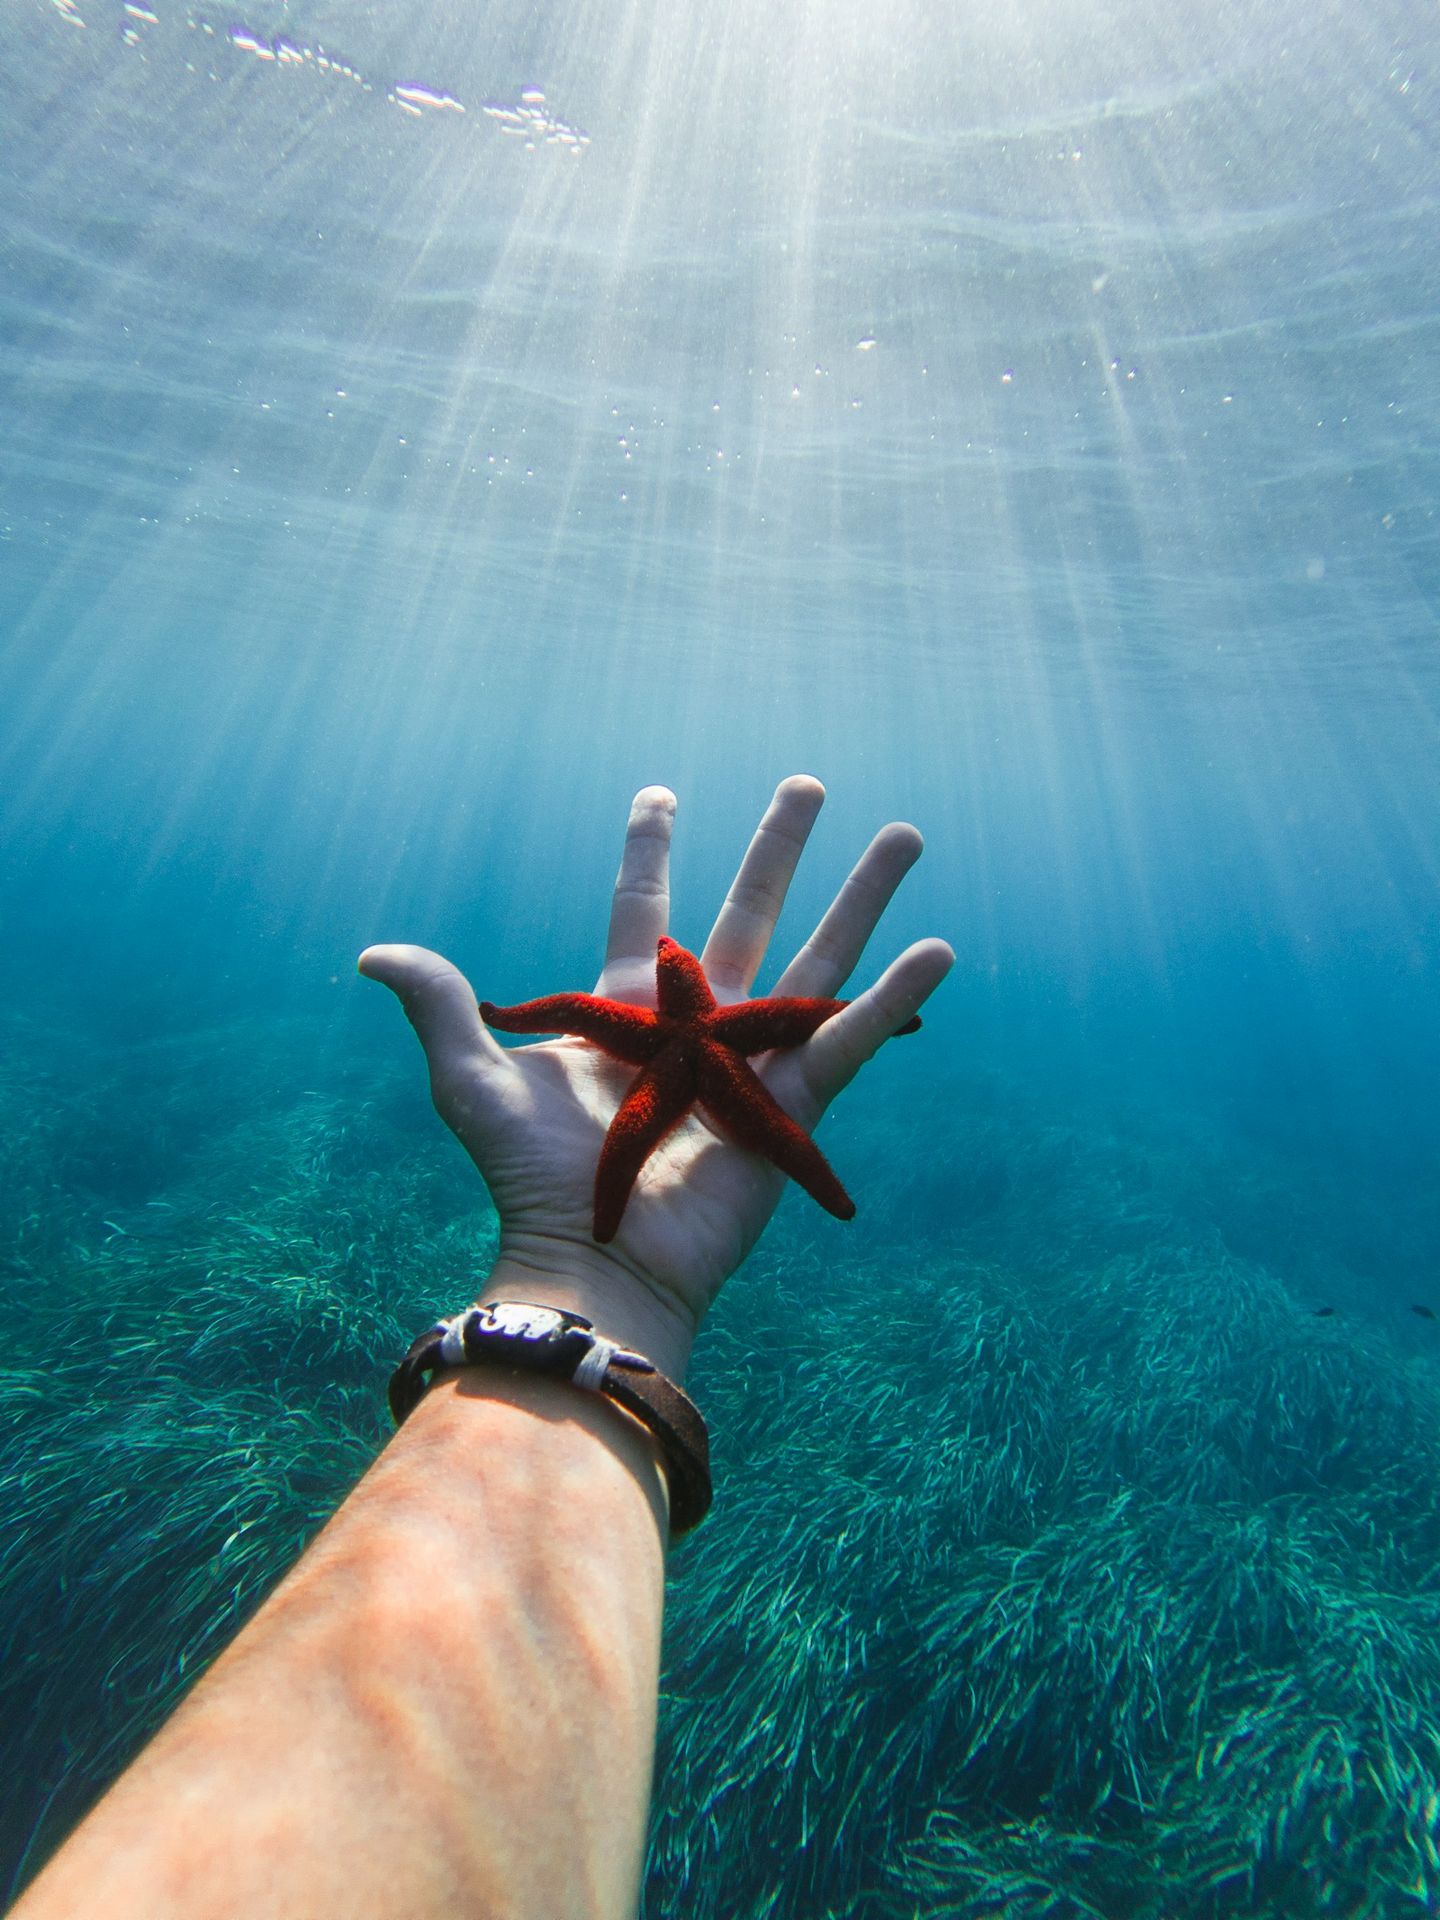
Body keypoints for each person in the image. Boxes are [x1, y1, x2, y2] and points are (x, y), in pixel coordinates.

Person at [11, 775, 953, 1920]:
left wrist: (590, 1264)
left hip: (599, 1273)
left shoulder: (673, 1040)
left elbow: (716, 1035)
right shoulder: (665, 1040)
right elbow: (685, 1042)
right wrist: (612, 1285)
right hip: (620, 1289)